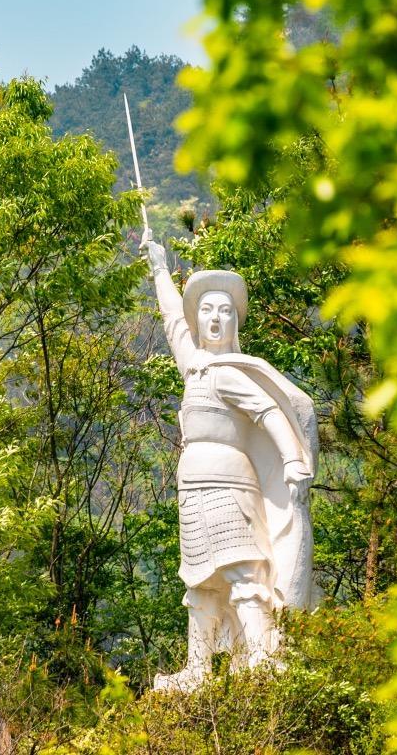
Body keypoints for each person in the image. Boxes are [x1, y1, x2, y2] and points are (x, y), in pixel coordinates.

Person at [141, 229, 317, 692]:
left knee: (244, 570)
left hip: (231, 483)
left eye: (223, 311)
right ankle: (197, 669)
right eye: (206, 310)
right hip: (192, 486)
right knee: (199, 582)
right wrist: (159, 268)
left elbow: (270, 412)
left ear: (234, 322)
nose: (214, 318)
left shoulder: (230, 373)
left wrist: (292, 460)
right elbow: (172, 322)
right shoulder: (194, 367)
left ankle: (261, 658)